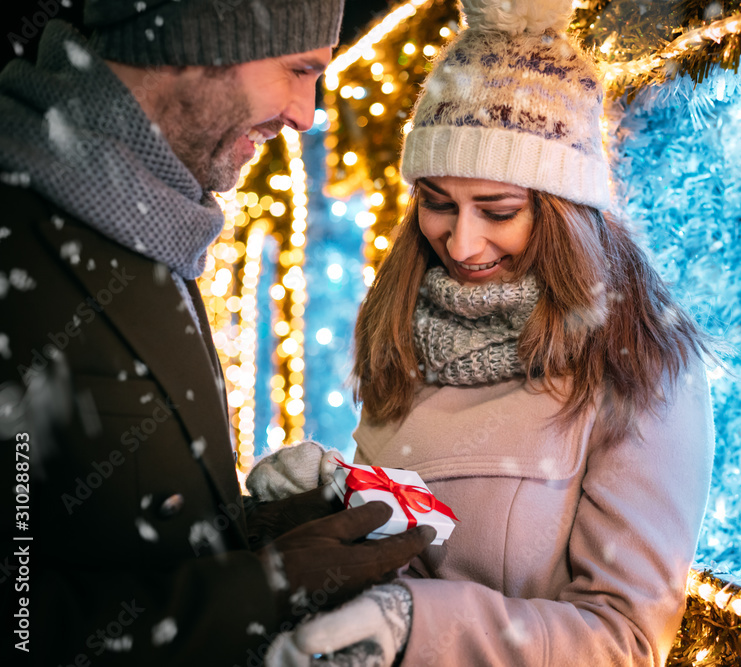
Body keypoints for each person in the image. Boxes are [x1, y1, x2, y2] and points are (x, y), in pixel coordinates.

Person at [252, 0, 717, 665]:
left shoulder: (639, 369)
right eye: (437, 202)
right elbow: (414, 520)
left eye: (497, 210)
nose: (461, 243)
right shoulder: (412, 327)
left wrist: (416, 624)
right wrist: (327, 493)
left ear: (565, 212)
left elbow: (625, 639)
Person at [0, 1, 434, 665]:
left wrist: (262, 530)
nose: (304, 112)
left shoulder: (149, 216)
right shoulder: (24, 229)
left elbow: (110, 527)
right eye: (297, 68)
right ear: (198, 35)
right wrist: (266, 588)